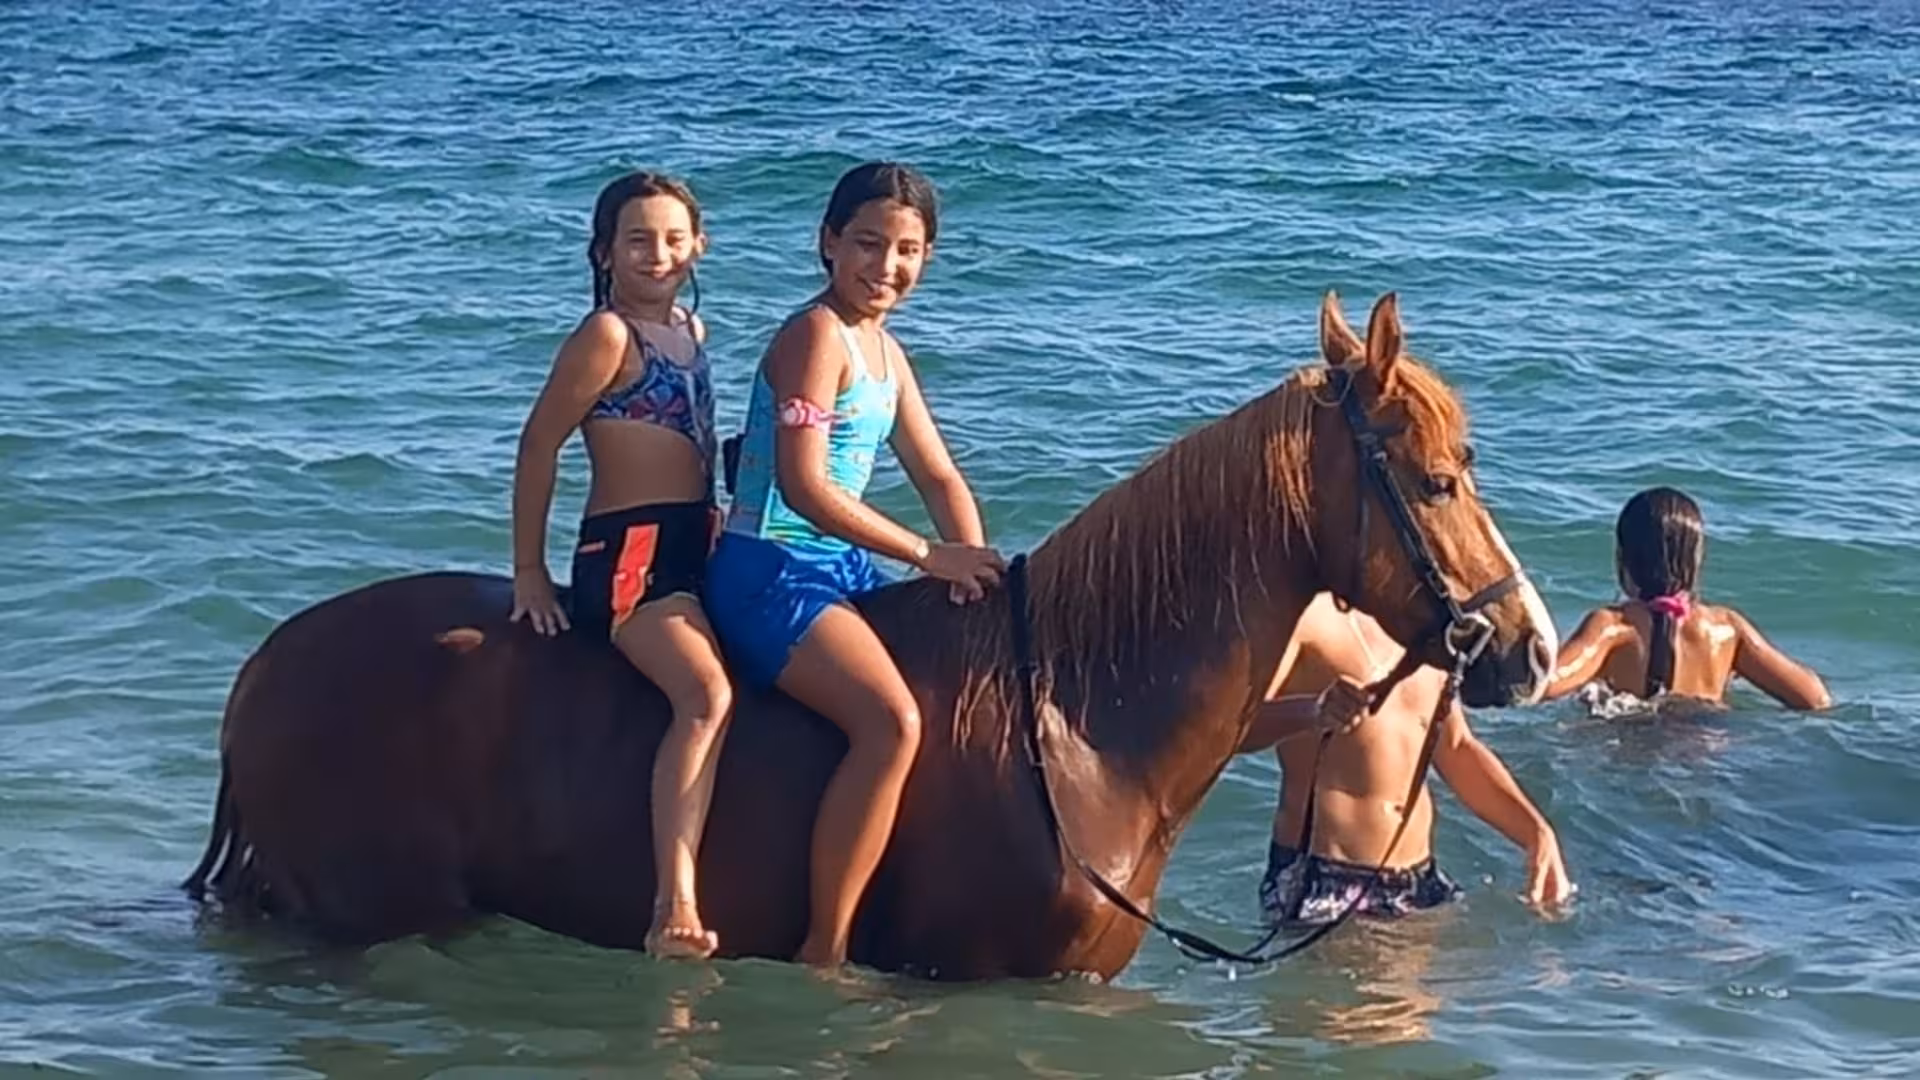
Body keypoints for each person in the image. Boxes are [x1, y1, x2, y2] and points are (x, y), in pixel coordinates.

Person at [703, 161, 1005, 967]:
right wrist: (925, 556)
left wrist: (973, 566)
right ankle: (826, 947)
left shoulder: (887, 353)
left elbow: (937, 474)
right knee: (890, 722)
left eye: (906, 250)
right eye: (867, 244)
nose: (886, 267)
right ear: (828, 244)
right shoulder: (814, 337)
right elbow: (802, 487)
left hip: (845, 570)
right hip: (769, 567)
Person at [509, 171, 733, 960]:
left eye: (674, 238)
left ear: (699, 246)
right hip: (630, 558)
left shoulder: (690, 332)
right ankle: (673, 901)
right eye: (638, 239)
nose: (658, 254)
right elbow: (539, 444)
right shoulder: (609, 337)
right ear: (604, 252)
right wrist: (530, 572)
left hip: (695, 545)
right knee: (705, 694)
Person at [1241, 593, 1573, 925]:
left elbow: (1456, 747)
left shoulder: (1424, 620)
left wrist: (1534, 832)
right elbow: (1233, 729)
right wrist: (1312, 712)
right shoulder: (1307, 617)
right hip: (1325, 878)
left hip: (1420, 881)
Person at [1543, 486, 1831, 710]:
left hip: (1630, 758)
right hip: (1707, 757)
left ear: (1623, 559)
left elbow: (1545, 685)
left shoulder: (1611, 626)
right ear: (1695, 561)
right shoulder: (1727, 629)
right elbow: (1814, 698)